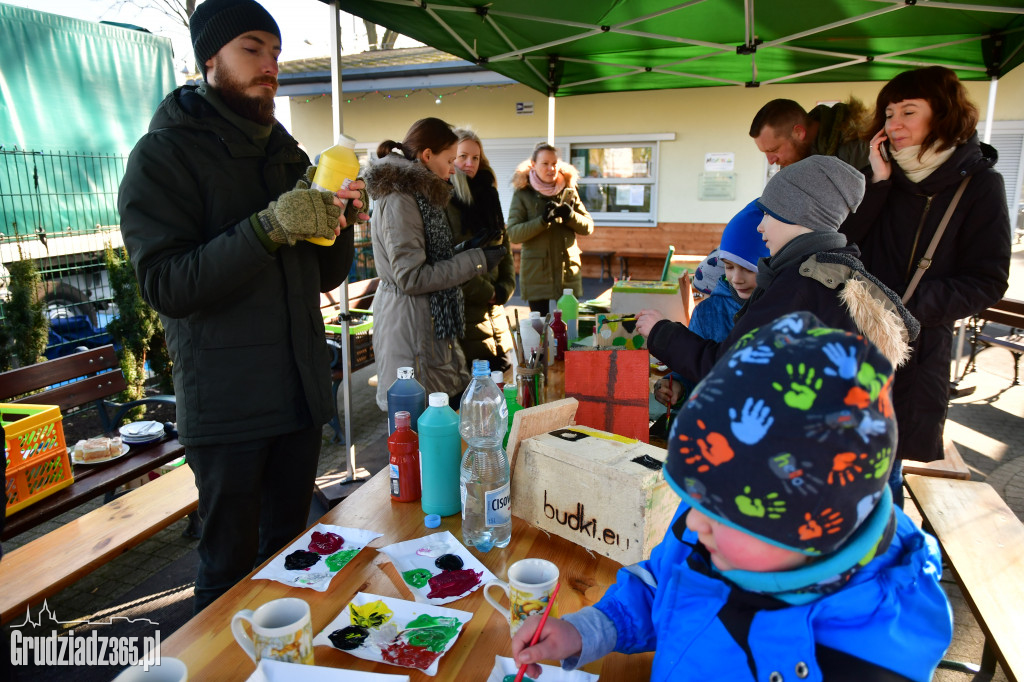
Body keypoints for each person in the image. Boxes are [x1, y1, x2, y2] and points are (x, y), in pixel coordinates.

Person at [512, 311, 953, 681]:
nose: (693, 521)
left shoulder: (862, 661)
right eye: (692, 496)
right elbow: (666, 585)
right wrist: (588, 630)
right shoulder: (713, 532)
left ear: (808, 527)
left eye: (717, 510)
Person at [118, 0, 366, 612]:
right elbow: (167, 286)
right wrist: (266, 229)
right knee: (227, 572)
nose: (270, 65)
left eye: (275, 53)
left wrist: (342, 223)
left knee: (295, 560)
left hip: (299, 395)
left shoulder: (287, 154)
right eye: (251, 49)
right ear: (210, 59)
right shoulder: (164, 155)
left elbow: (322, 276)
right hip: (228, 408)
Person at [841, 66, 1011, 498]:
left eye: (908, 112)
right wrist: (876, 184)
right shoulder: (880, 176)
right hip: (848, 341)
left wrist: (905, 309)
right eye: (889, 113)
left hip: (913, 356)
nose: (893, 124)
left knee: (883, 474)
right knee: (839, 464)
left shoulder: (979, 186)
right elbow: (840, 242)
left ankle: (886, 559)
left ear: (943, 115)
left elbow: (987, 280)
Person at [637, 155, 919, 386]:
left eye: (769, 214)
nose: (761, 226)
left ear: (798, 215)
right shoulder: (837, 272)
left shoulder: (797, 287)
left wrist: (661, 333)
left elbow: (729, 369)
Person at [364, 118, 506, 410]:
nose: (454, 168)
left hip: (423, 327)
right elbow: (411, 277)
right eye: (451, 159)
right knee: (419, 436)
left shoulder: (420, 194)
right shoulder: (400, 197)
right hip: (410, 330)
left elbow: (424, 257)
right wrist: (474, 260)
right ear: (427, 155)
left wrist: (464, 249)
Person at [652, 200, 768, 408]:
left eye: (749, 269)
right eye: (730, 267)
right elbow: (689, 367)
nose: (737, 278)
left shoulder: (783, 309)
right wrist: (677, 386)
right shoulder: (706, 313)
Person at [446, 128, 515, 373]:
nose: (469, 163)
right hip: (465, 319)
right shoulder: (445, 199)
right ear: (449, 158)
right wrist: (488, 291)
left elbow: (504, 247)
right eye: (463, 156)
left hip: (496, 317)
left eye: (475, 158)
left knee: (503, 380)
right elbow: (447, 261)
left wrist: (505, 287)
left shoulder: (489, 195)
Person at [507, 143, 594, 316]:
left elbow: (588, 227)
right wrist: (542, 220)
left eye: (554, 163)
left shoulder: (569, 190)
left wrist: (570, 216)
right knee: (540, 330)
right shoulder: (523, 193)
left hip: (567, 271)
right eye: (545, 163)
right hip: (537, 273)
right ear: (533, 164)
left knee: (569, 329)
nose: (551, 168)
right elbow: (513, 233)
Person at [750, 97, 870, 169]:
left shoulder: (858, 148)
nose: (771, 161)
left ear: (798, 132)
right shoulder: (795, 160)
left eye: (774, 150)